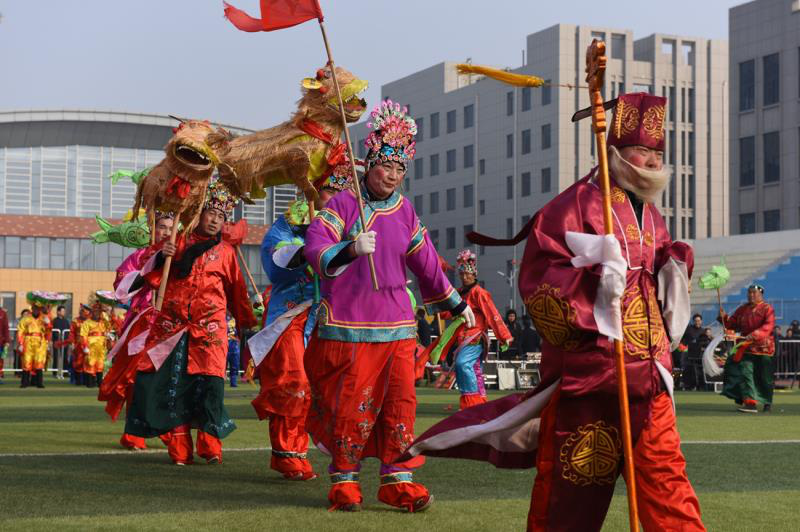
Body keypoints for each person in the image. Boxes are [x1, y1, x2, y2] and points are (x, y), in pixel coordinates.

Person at [403, 93, 704, 531]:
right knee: (571, 497)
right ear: (615, 151)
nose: (655, 161)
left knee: (669, 488)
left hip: (649, 373)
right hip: (594, 376)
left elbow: (654, 276)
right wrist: (597, 288)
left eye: (659, 153)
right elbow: (541, 277)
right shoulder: (574, 205)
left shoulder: (652, 213)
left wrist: (674, 265)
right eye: (646, 151)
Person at [303, 99, 474, 512]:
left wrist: (454, 304)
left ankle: (397, 480)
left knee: (401, 404)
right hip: (353, 322)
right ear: (369, 165)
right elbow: (315, 246)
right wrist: (348, 249)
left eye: (400, 169)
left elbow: (428, 263)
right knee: (352, 405)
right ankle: (345, 480)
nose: (393, 176)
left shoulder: (405, 211)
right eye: (386, 167)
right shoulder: (345, 205)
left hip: (398, 322)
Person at [124, 181, 256, 465]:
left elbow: (237, 292)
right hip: (173, 327)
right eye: (211, 214)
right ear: (199, 213)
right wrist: (163, 255)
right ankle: (179, 447)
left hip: (210, 330)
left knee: (211, 387)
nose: (215, 221)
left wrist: (248, 323)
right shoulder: (177, 241)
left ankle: (210, 446)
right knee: (172, 385)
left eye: (221, 217)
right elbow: (146, 274)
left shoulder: (227, 253)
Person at [249, 172, 350, 482]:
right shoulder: (287, 226)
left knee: (326, 390)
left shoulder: (347, 226)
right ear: (312, 190)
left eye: (339, 191)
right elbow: (276, 266)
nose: (333, 197)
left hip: (328, 319)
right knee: (294, 382)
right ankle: (287, 455)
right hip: (290, 318)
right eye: (327, 190)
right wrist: (310, 244)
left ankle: (314, 451)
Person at [99, 211, 175, 450]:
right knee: (136, 378)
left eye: (170, 228)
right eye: (162, 226)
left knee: (168, 379)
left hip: (171, 325)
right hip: (143, 324)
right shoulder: (140, 256)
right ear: (153, 228)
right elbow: (122, 287)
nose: (166, 232)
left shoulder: (181, 257)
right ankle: (135, 432)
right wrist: (151, 268)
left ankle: (171, 432)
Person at [445, 249, 512, 409]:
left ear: (474, 274)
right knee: (473, 370)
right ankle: (477, 404)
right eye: (461, 274)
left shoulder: (479, 293)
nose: (464, 277)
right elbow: (447, 311)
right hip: (461, 338)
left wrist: (504, 335)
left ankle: (472, 403)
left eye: (467, 274)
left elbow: (492, 314)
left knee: (463, 365)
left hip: (474, 337)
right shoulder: (459, 293)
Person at [719, 284, 775, 413]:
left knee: (765, 378)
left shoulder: (767, 309)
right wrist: (723, 317)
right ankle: (750, 403)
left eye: (754, 293)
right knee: (745, 373)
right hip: (746, 347)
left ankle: (767, 402)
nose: (751, 295)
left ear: (760, 294)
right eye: (749, 293)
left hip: (764, 349)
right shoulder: (742, 309)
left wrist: (755, 334)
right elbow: (731, 324)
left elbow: (768, 326)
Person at [17, 302, 50, 388]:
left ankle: (39, 383)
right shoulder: (25, 319)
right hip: (28, 341)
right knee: (27, 361)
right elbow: (20, 331)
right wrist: (20, 343)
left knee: (39, 361)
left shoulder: (43, 318)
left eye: (38, 308)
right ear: (32, 308)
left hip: (40, 342)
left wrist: (48, 324)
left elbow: (48, 332)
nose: (36, 310)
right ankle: (24, 382)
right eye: (35, 308)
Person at [80, 302, 111, 388]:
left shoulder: (103, 322)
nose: (97, 313)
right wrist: (85, 346)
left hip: (101, 346)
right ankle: (90, 383)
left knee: (100, 364)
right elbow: (83, 336)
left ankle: (100, 383)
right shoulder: (87, 322)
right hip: (91, 346)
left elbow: (109, 326)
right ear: (92, 312)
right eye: (95, 311)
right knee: (91, 363)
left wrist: (106, 314)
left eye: (99, 311)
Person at [680, 314, 705, 390]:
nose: (697, 322)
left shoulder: (703, 331)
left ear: (701, 321)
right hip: (687, 353)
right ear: (693, 321)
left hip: (698, 354)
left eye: (699, 321)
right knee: (687, 368)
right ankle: (685, 384)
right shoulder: (689, 329)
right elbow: (682, 339)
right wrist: (683, 348)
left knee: (698, 369)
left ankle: (699, 385)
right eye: (696, 321)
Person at [227, 318, 240, 388]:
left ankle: (233, 383)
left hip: (234, 348)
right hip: (225, 348)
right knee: (222, 368)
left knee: (234, 367)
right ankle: (219, 384)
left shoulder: (236, 319)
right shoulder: (222, 317)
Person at [0, 306, 9, 383]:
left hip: (0, 341)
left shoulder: (3, 313)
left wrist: (7, 340)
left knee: (0, 360)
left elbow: (6, 328)